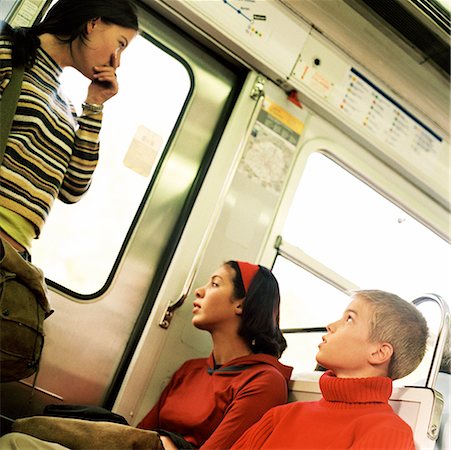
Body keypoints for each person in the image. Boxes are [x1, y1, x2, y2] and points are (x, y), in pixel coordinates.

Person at [0, 260, 293, 449]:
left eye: (215, 284)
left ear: (242, 304)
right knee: (16, 440)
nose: (200, 292)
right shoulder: (190, 370)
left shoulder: (264, 381)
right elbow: (140, 434)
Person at [0, 0, 138, 259]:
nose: (116, 62)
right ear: (93, 23)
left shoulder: (67, 109)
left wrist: (95, 105)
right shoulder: (7, 51)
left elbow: (73, 188)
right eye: (120, 43)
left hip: (13, 259)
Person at [231, 289, 429, 450]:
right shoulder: (281, 416)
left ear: (379, 352)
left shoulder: (389, 433)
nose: (330, 326)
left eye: (349, 319)